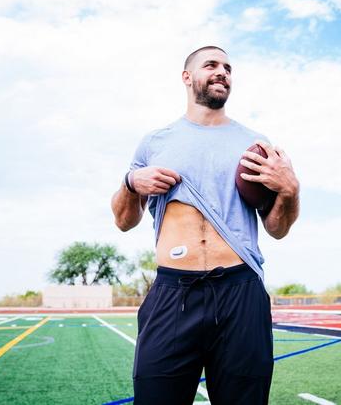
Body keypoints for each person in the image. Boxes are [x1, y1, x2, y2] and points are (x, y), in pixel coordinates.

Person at [111, 46, 299, 405]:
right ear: (187, 77)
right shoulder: (155, 142)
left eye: (228, 67)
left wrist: (291, 190)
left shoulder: (256, 144)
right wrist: (131, 182)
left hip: (240, 290)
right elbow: (123, 221)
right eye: (211, 65)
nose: (222, 72)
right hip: (173, 291)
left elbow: (277, 228)